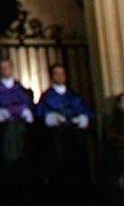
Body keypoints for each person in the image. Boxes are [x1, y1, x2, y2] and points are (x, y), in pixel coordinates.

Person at [0, 58, 37, 192]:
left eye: (7, 67)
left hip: (21, 133)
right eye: (3, 67)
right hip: (3, 132)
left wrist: (24, 112)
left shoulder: (20, 89)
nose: (5, 70)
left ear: (12, 68)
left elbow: (30, 108)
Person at [38, 63, 94, 194]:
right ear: (52, 76)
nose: (60, 76)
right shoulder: (47, 96)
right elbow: (39, 114)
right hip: (56, 139)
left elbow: (86, 111)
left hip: (74, 138)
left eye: (62, 73)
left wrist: (83, 118)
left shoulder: (74, 95)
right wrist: (50, 118)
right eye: (56, 74)